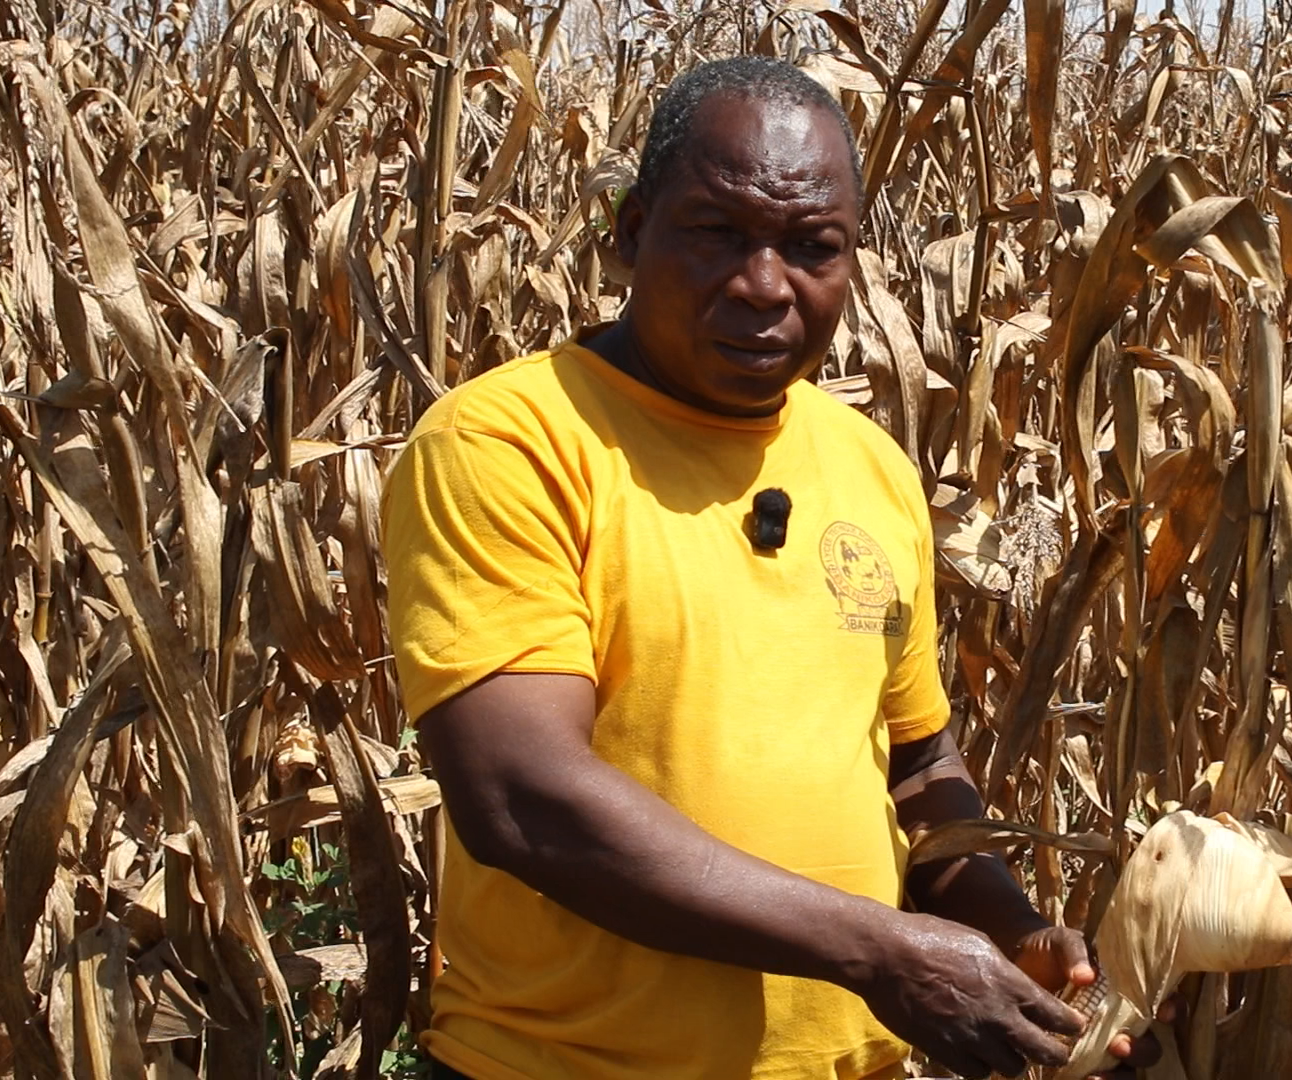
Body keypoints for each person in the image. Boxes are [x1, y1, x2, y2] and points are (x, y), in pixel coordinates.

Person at [382, 57, 1158, 1080]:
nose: (762, 285)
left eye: (811, 248)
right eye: (716, 233)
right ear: (629, 231)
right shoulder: (509, 443)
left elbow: (917, 766)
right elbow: (524, 796)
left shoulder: (869, 467)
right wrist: (882, 953)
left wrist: (1011, 931)